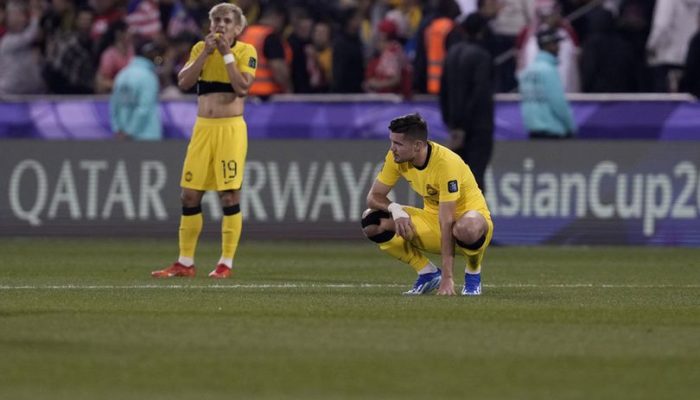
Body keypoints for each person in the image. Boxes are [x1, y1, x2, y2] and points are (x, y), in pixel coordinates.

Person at [151, 2, 256, 279]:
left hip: (229, 129)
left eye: (226, 21)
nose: (220, 25)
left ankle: (225, 263)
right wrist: (207, 53)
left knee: (229, 194)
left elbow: (242, 87)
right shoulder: (200, 49)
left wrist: (226, 56)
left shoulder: (246, 52)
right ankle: (185, 262)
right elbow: (184, 81)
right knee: (189, 194)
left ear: (237, 28)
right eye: (216, 20)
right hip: (202, 129)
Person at [361, 113, 494, 296]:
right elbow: (374, 196)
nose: (393, 149)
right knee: (372, 221)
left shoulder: (446, 163)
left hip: (470, 223)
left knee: (466, 227)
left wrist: (448, 278)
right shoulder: (395, 158)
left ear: (417, 146)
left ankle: (473, 272)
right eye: (392, 142)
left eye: (398, 144)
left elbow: (447, 221)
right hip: (433, 223)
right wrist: (395, 209)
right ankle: (427, 273)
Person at [440, 13, 493, 193]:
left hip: (455, 127)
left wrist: (453, 124)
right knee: (475, 179)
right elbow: (479, 94)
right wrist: (464, 126)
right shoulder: (482, 56)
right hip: (477, 128)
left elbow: (443, 91)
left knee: (455, 181)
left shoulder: (451, 54)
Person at [518, 26, 576, 139]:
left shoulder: (528, 70)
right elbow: (558, 102)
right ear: (548, 45)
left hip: (533, 130)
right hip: (552, 131)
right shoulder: (548, 70)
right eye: (556, 44)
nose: (559, 48)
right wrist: (570, 126)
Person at [109, 38, 164, 141]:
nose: (157, 55)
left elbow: (114, 105)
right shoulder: (148, 77)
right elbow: (144, 108)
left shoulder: (122, 74)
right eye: (154, 52)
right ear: (148, 52)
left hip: (123, 138)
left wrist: (118, 130)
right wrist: (130, 132)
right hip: (147, 137)